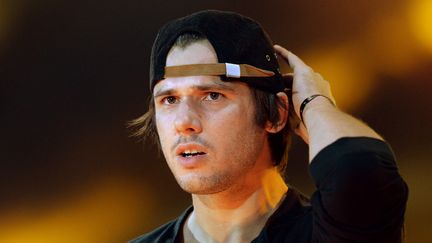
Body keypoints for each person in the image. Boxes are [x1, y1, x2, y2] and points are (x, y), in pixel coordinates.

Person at [129, 10, 408, 243]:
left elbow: (360, 169)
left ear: (276, 115)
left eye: (212, 95)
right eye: (169, 99)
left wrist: (315, 103)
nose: (184, 122)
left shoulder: (332, 232)